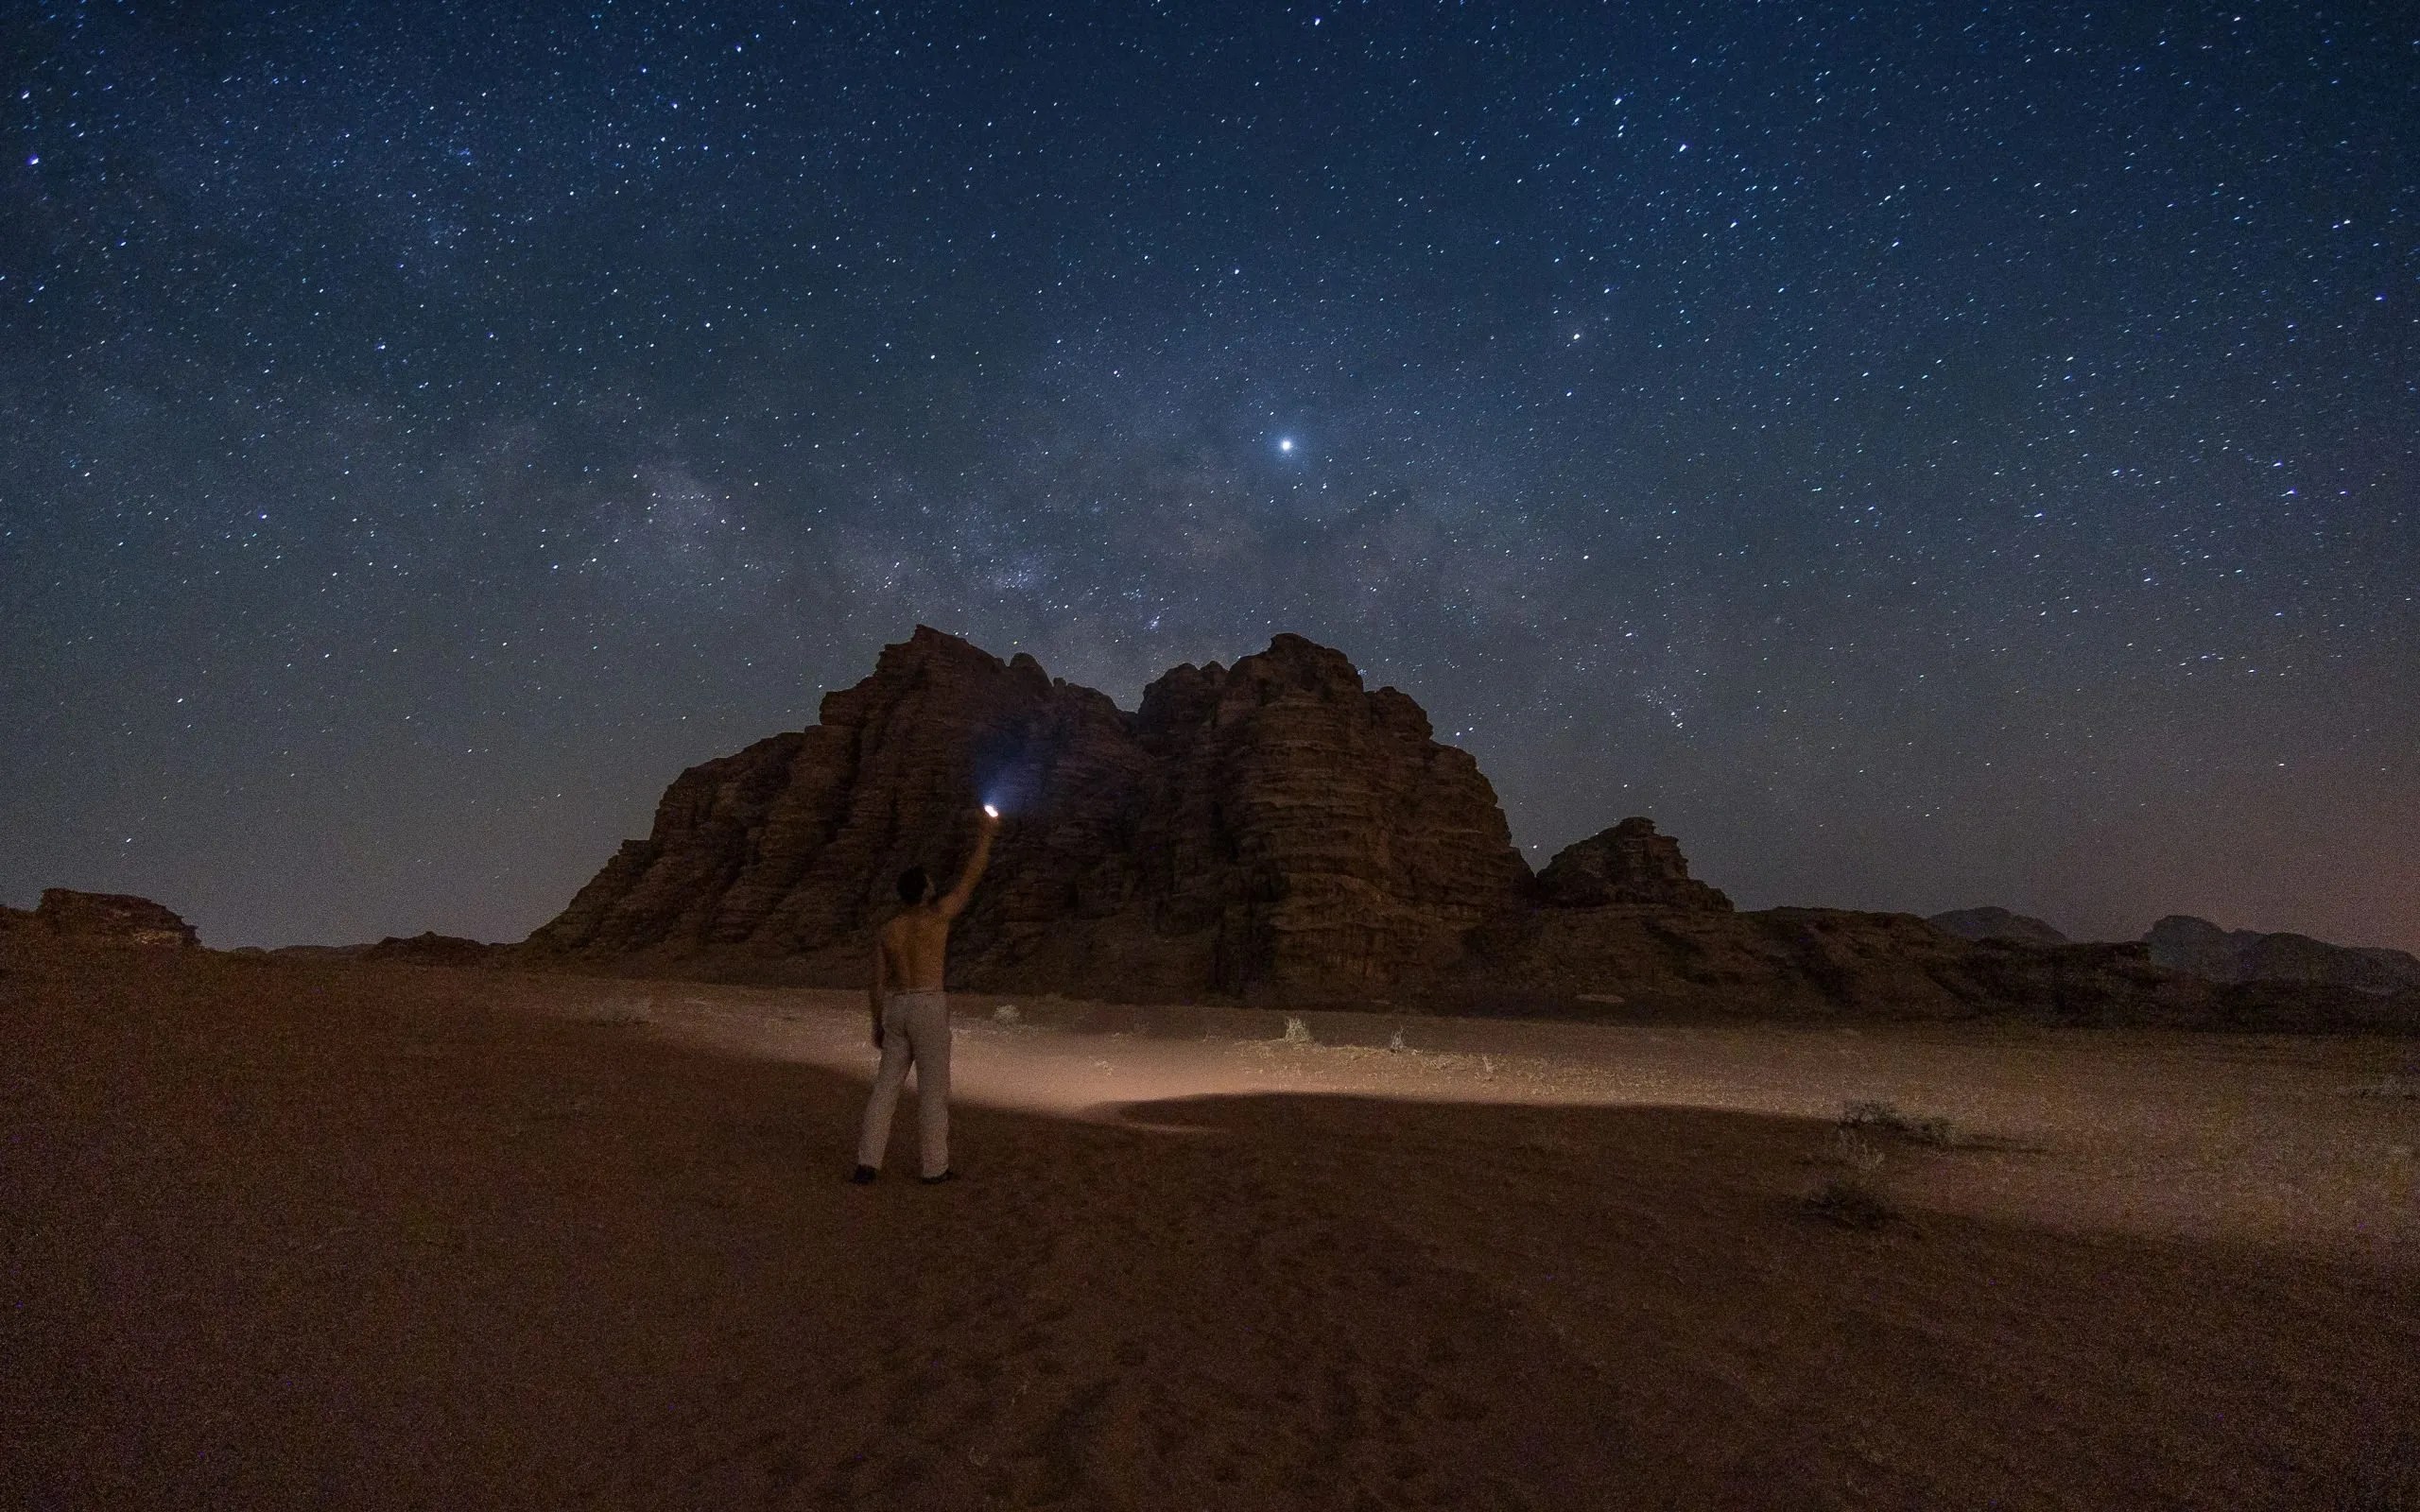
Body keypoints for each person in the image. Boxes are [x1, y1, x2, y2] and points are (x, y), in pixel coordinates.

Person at [852, 805, 999, 1184]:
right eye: (931, 883)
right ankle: (934, 1168)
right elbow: (972, 877)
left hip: (897, 1008)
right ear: (925, 891)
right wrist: (986, 834)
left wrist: (877, 1024)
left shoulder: (889, 930)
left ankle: (868, 1163)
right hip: (928, 1005)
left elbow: (877, 983)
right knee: (933, 1092)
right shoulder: (936, 918)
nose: (936, 885)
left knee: (885, 1089)